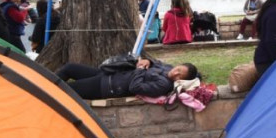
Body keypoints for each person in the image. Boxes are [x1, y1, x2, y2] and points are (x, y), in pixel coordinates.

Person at [56, 56, 198, 100]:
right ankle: (43, 85)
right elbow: (157, 63)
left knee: (68, 89)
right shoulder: (167, 68)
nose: (175, 73)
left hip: (108, 87)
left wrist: (140, 70)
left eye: (180, 75)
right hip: (109, 75)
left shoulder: (163, 85)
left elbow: (135, 87)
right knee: (70, 68)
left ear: (182, 80)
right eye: (178, 69)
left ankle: (43, 97)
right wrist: (148, 61)